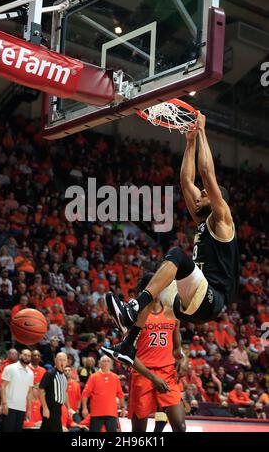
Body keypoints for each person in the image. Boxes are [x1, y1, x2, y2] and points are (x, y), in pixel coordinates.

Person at [102, 112, 239, 366]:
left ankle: (133, 309)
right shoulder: (203, 220)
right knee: (148, 281)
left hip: (211, 299)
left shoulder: (223, 219)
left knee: (176, 255)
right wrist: (189, 142)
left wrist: (202, 132)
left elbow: (206, 172)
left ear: (217, 199)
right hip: (191, 300)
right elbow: (186, 180)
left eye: (205, 194)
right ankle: (128, 344)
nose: (199, 196)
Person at [128, 273, 186, 432]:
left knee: (180, 427)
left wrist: (183, 359)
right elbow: (128, 354)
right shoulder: (135, 315)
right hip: (142, 374)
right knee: (138, 432)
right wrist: (152, 377)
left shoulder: (172, 312)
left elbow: (177, 349)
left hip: (167, 373)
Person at [81, 356, 126, 432]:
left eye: (108, 361)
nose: (106, 363)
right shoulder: (93, 377)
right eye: (104, 361)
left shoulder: (115, 377)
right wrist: (84, 408)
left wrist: (123, 407)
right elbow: (85, 394)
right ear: (99, 363)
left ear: (111, 364)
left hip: (111, 413)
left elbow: (120, 394)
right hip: (96, 413)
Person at [0, 349, 34, 432]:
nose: (27, 357)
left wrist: (29, 409)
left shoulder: (31, 373)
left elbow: (29, 393)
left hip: (22, 408)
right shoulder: (10, 368)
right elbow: (2, 386)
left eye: (29, 356)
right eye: (25, 355)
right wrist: (4, 403)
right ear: (20, 355)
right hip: (9, 406)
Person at [39, 352, 70, 432]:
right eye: (60, 360)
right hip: (50, 407)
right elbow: (41, 390)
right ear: (55, 360)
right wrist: (45, 408)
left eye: (64, 360)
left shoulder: (64, 376)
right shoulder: (50, 373)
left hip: (58, 408)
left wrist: (69, 408)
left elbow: (64, 392)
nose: (62, 362)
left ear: (67, 362)